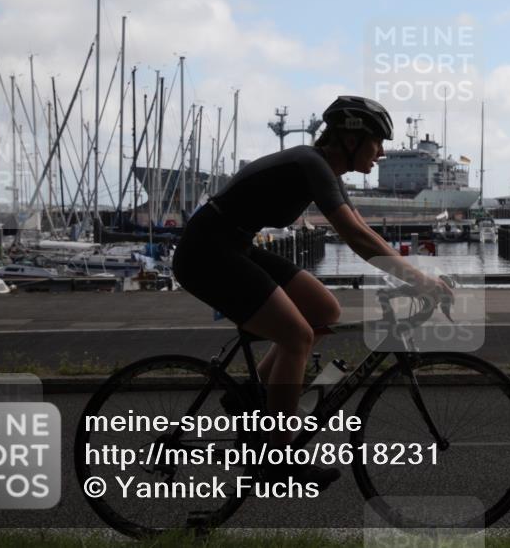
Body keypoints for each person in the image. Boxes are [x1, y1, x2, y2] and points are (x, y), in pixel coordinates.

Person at [172, 95, 451, 487]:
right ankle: (279, 460)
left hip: (233, 245)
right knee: (297, 336)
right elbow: (355, 237)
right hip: (206, 252)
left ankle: (252, 394)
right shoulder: (311, 164)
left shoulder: (325, 170)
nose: (381, 152)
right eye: (377, 142)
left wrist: (416, 276)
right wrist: (419, 282)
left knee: (324, 310)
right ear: (351, 140)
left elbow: (362, 229)